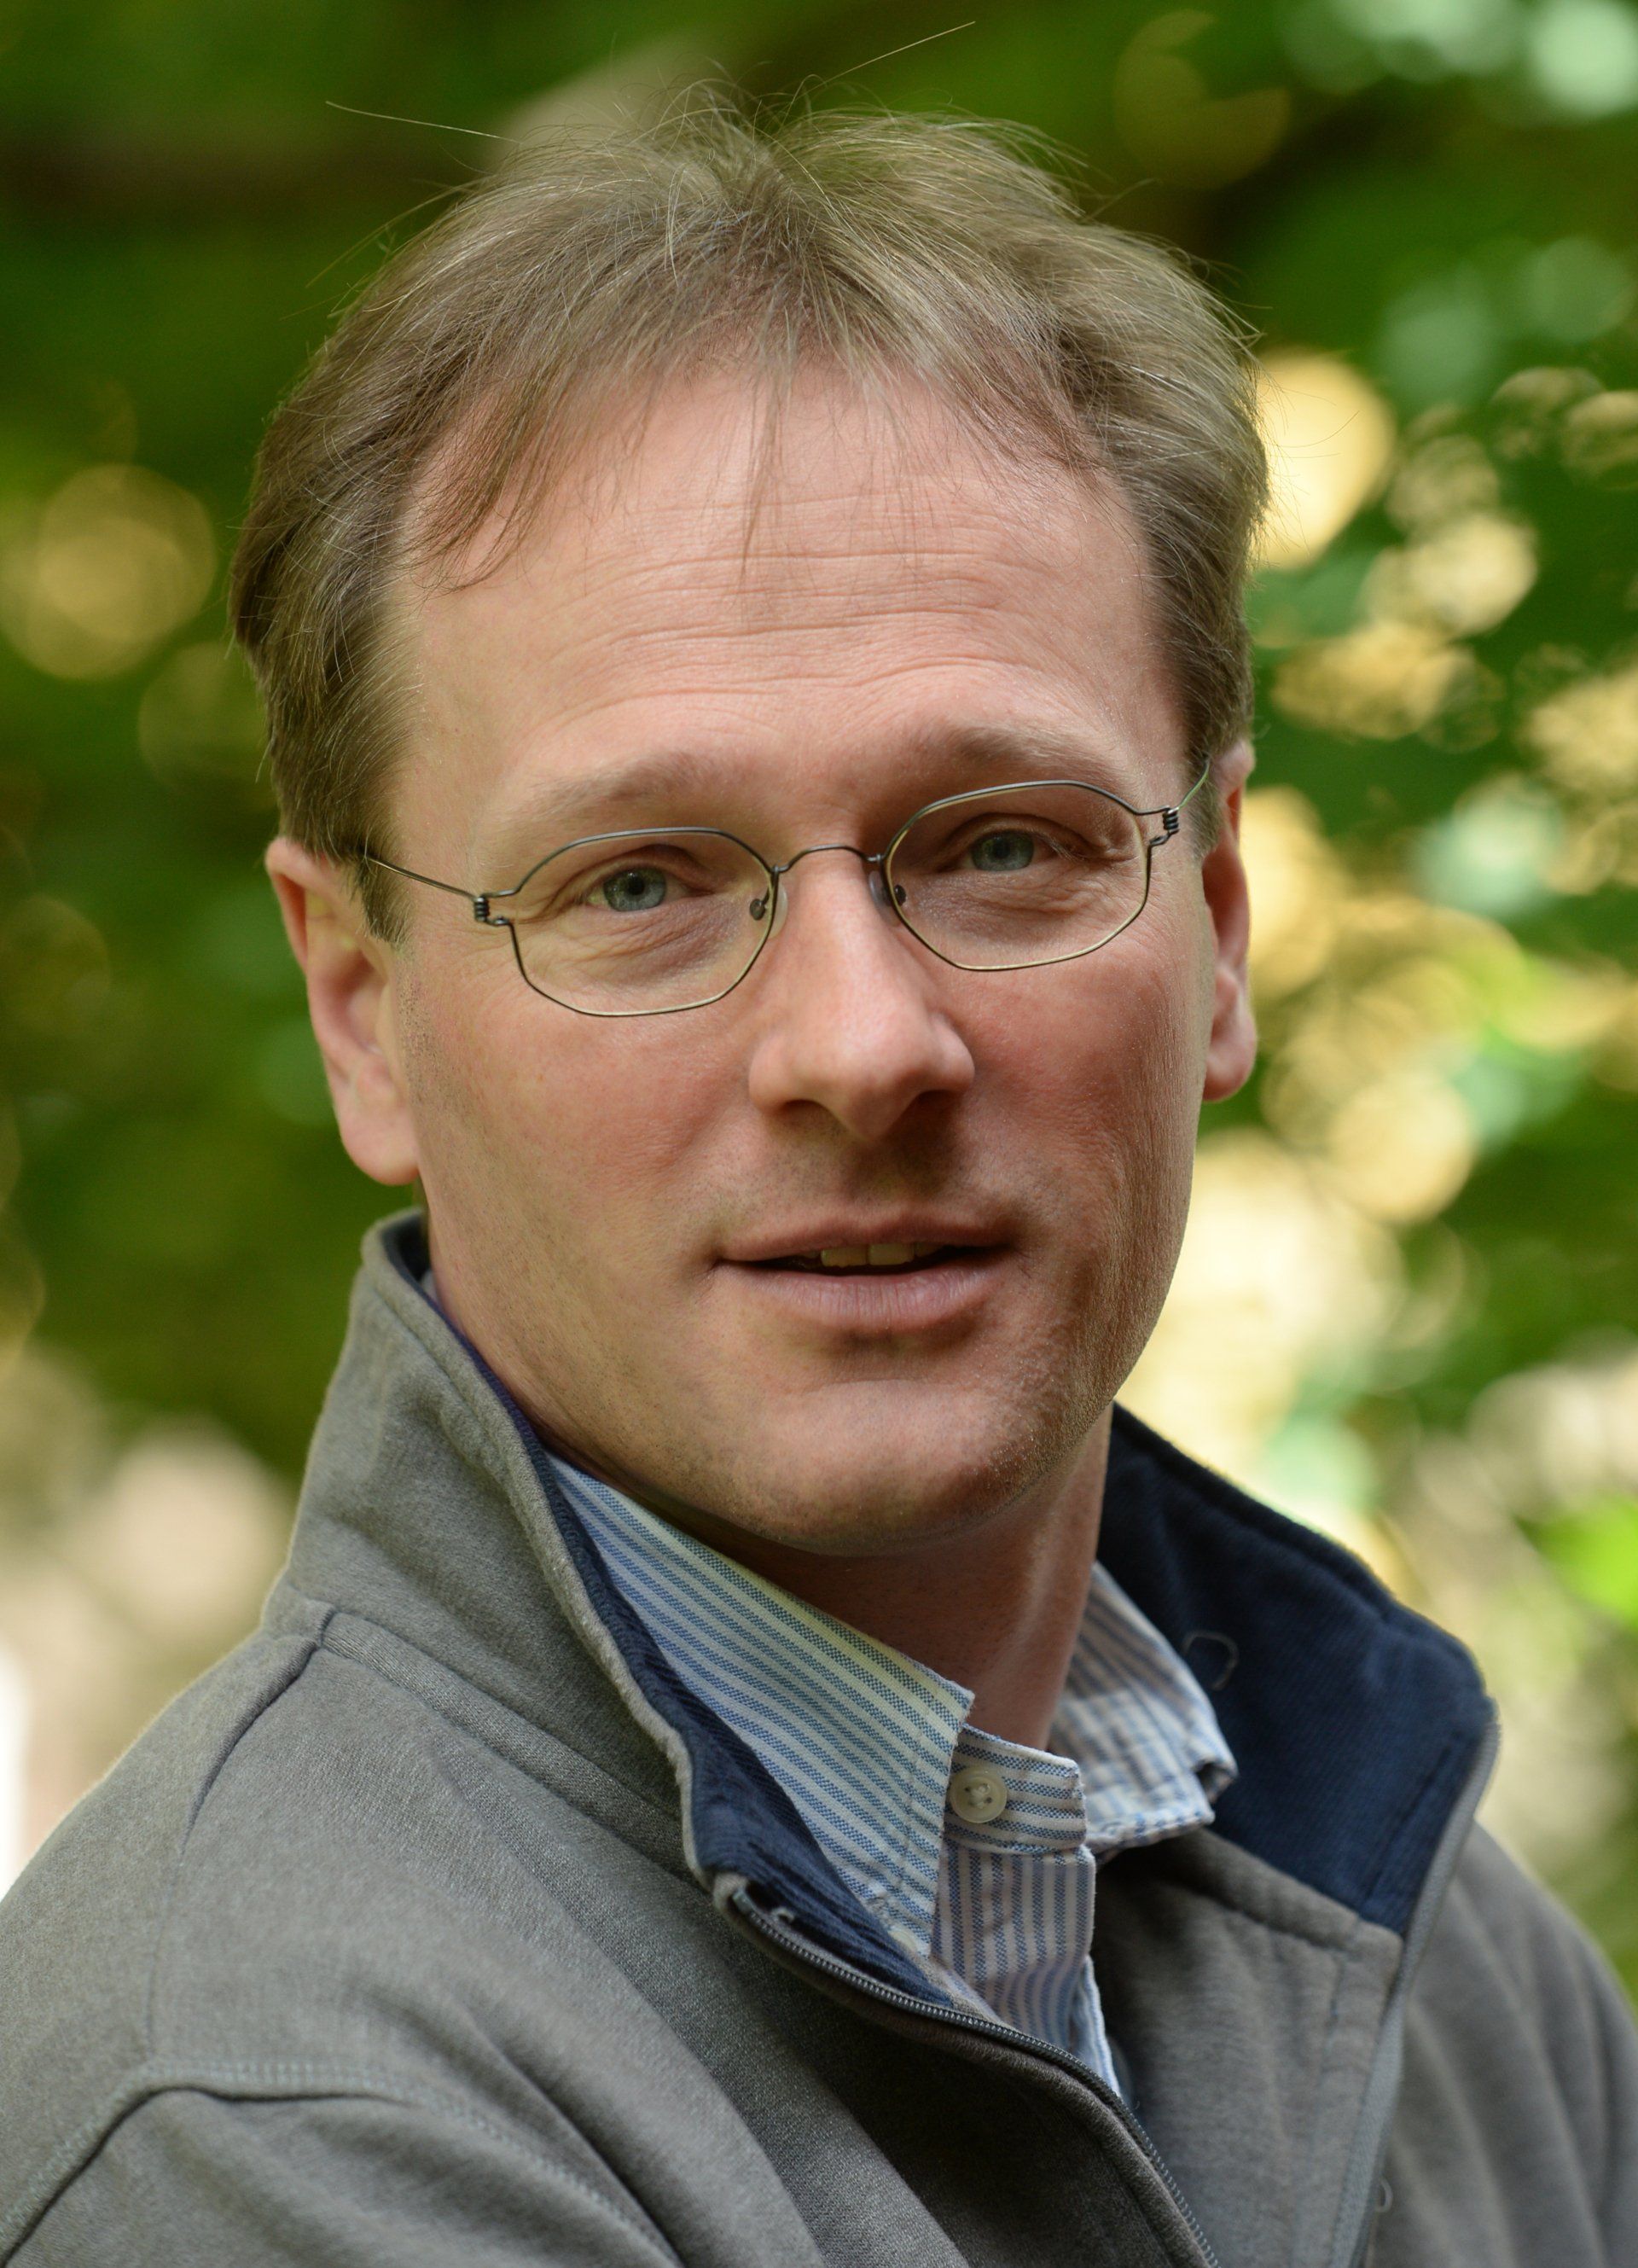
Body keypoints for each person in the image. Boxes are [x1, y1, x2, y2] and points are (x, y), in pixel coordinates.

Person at [1, 93, 1633, 2268]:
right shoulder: (262, 2118)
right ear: (364, 1011)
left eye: (1003, 844)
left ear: (1221, 930)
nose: (863, 1047)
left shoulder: (1454, 1970)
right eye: (639, 883)